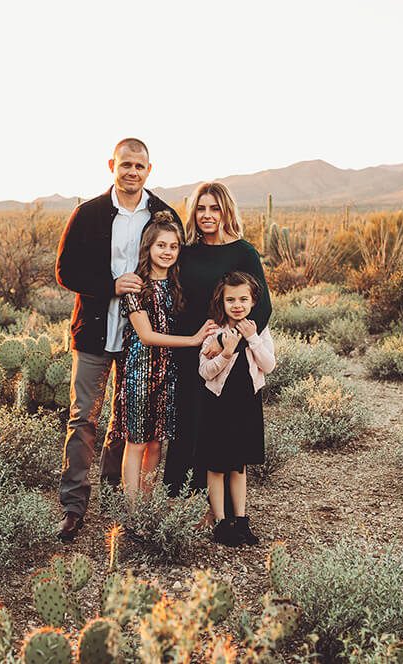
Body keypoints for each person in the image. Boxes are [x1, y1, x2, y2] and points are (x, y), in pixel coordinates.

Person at [54, 138, 206, 542]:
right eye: (126, 165)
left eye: (139, 166)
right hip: (96, 331)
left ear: (149, 170)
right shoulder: (88, 214)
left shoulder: (163, 213)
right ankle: (74, 506)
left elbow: (180, 268)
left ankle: (120, 497)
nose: (132, 172)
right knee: (84, 417)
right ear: (112, 166)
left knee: (127, 424)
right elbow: (64, 271)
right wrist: (110, 285)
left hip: (145, 343)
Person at [170, 181, 273, 501]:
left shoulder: (243, 252)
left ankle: (219, 506)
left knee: (218, 428)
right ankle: (181, 498)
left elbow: (263, 307)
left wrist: (228, 344)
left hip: (228, 356)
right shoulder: (185, 253)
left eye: (214, 208)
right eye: (201, 208)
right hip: (189, 349)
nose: (207, 215)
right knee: (188, 421)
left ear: (226, 210)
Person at [114, 220, 214, 504]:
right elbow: (146, 336)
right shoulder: (136, 286)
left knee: (157, 441)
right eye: (161, 245)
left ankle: (147, 504)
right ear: (149, 247)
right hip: (139, 373)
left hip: (168, 374)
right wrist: (193, 340)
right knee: (136, 442)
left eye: (173, 246)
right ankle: (132, 511)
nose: (168, 252)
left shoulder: (177, 284)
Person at [196, 271, 276, 545]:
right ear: (222, 301)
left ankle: (241, 520)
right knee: (216, 465)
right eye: (231, 299)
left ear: (253, 301)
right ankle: (220, 522)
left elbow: (269, 365)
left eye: (243, 299)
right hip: (218, 406)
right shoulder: (213, 331)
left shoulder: (260, 330)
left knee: (239, 465)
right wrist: (226, 352)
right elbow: (205, 372)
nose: (237, 304)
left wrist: (252, 339)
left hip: (246, 404)